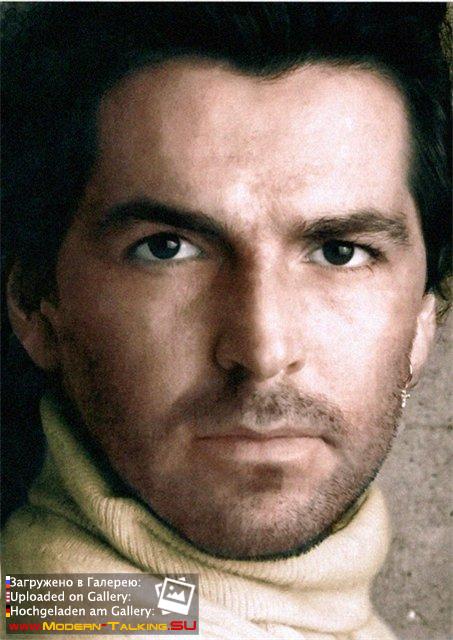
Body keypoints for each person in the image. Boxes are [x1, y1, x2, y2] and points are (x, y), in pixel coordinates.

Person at [2, 4, 451, 639]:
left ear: (425, 319)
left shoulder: (49, 602)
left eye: (339, 253)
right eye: (167, 249)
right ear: (35, 306)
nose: (263, 350)